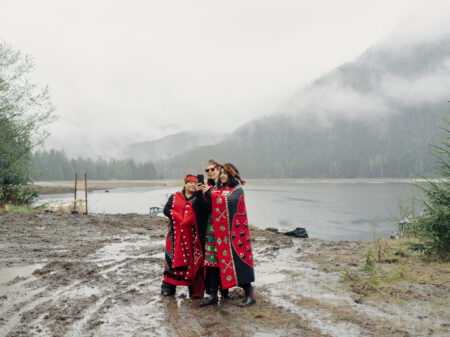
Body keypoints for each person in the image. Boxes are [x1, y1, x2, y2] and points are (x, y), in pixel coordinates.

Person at [199, 163, 256, 307]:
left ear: (232, 175)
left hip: (231, 235)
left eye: (226, 173)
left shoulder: (237, 190)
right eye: (222, 172)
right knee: (212, 263)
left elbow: (228, 201)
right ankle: (213, 295)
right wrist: (204, 194)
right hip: (213, 231)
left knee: (237, 261)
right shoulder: (219, 188)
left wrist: (211, 193)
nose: (222, 175)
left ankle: (250, 294)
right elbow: (211, 203)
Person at [161, 174, 204, 298]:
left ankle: (194, 290)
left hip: (192, 236)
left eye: (194, 183)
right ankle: (168, 287)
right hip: (175, 235)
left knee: (191, 262)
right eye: (189, 182)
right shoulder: (175, 197)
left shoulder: (199, 199)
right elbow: (166, 210)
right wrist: (177, 216)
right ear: (185, 184)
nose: (192, 184)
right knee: (171, 260)